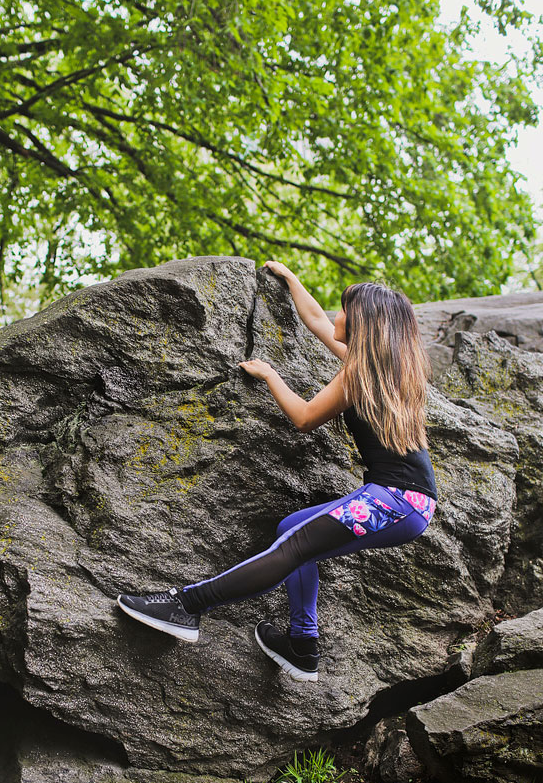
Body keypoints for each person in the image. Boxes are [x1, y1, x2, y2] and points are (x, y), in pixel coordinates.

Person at [116, 261, 437, 683]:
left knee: (292, 548)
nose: (337, 315)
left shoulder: (360, 376)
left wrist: (270, 374)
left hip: (395, 500)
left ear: (362, 323)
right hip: (405, 502)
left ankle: (187, 606)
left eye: (345, 309)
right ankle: (302, 645)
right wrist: (291, 280)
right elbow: (318, 320)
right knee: (292, 529)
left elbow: (304, 419)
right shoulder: (381, 371)